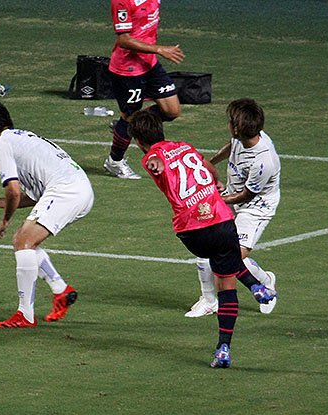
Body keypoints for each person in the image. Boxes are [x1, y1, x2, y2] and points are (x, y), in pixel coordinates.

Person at [127, 108, 275, 368]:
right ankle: (226, 343)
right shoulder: (185, 146)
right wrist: (216, 183)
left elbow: (156, 161)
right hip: (222, 219)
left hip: (192, 231)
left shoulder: (150, 156)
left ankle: (250, 290)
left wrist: (155, 164)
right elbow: (208, 167)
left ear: (138, 141)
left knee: (220, 262)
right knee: (226, 277)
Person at [0, 102, 93, 328]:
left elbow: (13, 191)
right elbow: (35, 197)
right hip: (80, 189)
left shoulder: (0, 145)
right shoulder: (24, 138)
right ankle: (60, 290)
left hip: (66, 191)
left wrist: (5, 219)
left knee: (23, 241)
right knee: (25, 240)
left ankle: (25, 314)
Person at [186, 98, 281, 318]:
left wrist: (214, 199)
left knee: (231, 256)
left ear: (237, 128)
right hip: (231, 196)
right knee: (205, 246)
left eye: (230, 121)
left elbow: (247, 195)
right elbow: (232, 146)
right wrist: (209, 164)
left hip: (255, 208)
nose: (228, 124)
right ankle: (209, 301)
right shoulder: (245, 137)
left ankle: (265, 281)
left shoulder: (264, 161)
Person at [103, 0, 185, 180]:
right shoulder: (122, 2)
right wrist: (159, 49)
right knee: (129, 117)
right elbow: (123, 40)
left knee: (172, 110)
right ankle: (114, 161)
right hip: (127, 70)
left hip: (149, 63)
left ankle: (126, 125)